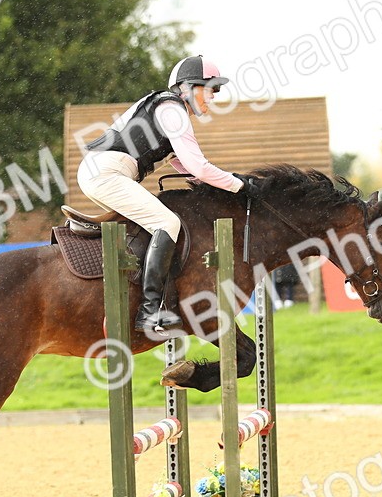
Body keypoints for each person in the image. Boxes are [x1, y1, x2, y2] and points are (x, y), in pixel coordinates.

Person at [76, 55, 254, 334]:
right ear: (189, 87)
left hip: (104, 171)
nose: (214, 97)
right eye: (212, 89)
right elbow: (199, 166)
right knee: (167, 223)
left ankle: (140, 298)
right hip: (107, 173)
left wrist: (231, 182)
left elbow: (188, 168)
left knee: (155, 225)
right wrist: (239, 185)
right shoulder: (173, 111)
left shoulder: (168, 108)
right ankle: (150, 310)